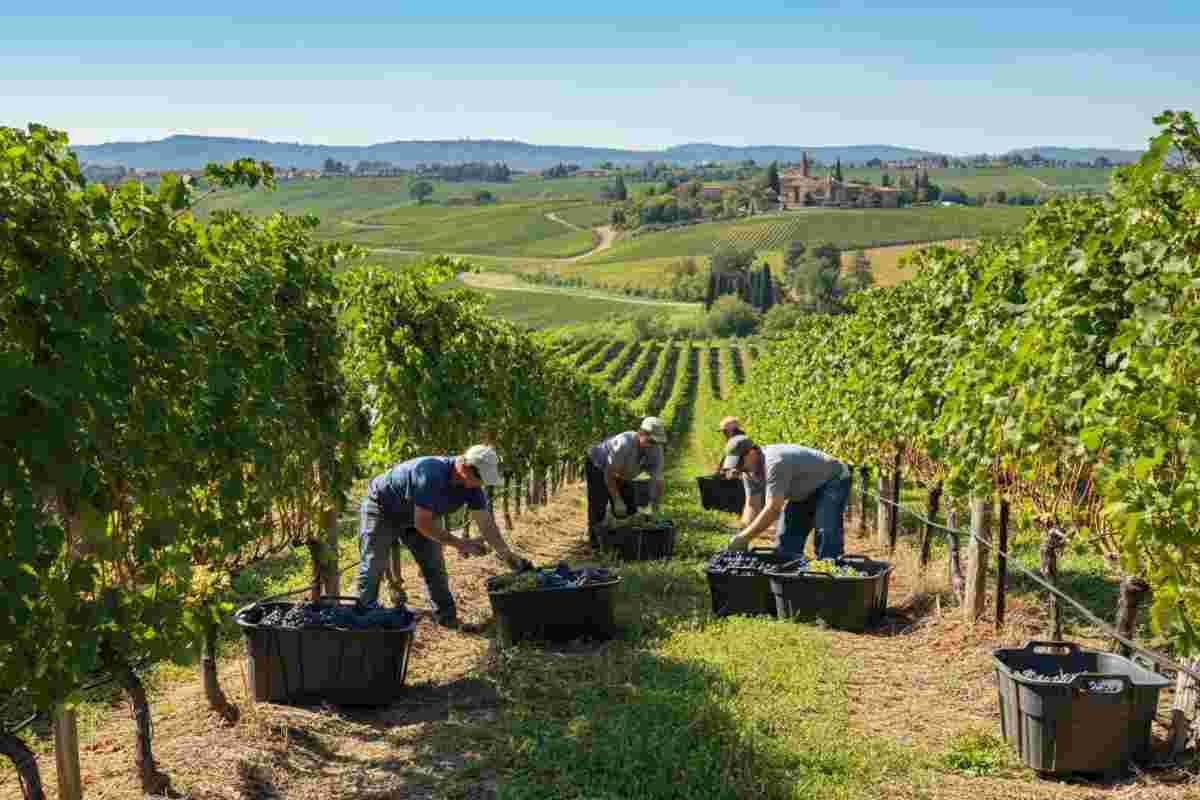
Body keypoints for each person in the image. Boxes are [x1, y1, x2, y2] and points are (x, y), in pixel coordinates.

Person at [358, 444, 531, 629]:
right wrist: (460, 543)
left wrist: (507, 554)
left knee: (434, 564)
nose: (481, 484)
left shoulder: (472, 487)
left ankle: (447, 618)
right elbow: (423, 523)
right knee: (373, 564)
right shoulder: (431, 474)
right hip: (383, 509)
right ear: (465, 468)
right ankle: (364, 621)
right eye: (480, 478)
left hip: (419, 515)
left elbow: (486, 524)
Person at [720, 435, 851, 560]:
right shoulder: (748, 471)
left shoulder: (775, 462)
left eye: (740, 462)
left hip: (833, 479)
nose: (739, 467)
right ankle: (790, 574)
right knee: (786, 543)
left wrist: (745, 537)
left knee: (826, 533)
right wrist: (742, 534)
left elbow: (773, 509)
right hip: (805, 488)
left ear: (752, 453)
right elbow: (752, 504)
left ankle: (830, 569)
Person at [585, 417, 667, 543]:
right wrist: (617, 500)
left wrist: (656, 508)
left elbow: (658, 479)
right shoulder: (624, 444)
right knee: (599, 505)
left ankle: (623, 542)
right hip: (598, 465)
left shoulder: (656, 449)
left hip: (622, 472)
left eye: (656, 442)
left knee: (630, 508)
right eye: (650, 440)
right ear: (641, 433)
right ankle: (596, 543)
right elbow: (609, 474)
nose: (652, 445)